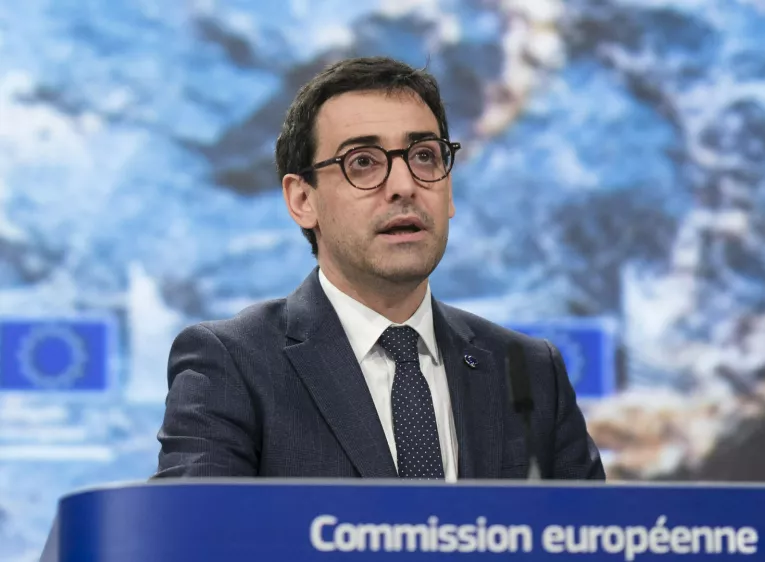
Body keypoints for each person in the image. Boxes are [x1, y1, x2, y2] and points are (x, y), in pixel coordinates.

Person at [152, 56, 604, 481]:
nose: (404, 185)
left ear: (449, 192)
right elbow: (193, 538)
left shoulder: (528, 371)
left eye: (425, 156)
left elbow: (593, 539)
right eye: (363, 163)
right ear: (302, 199)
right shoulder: (233, 364)